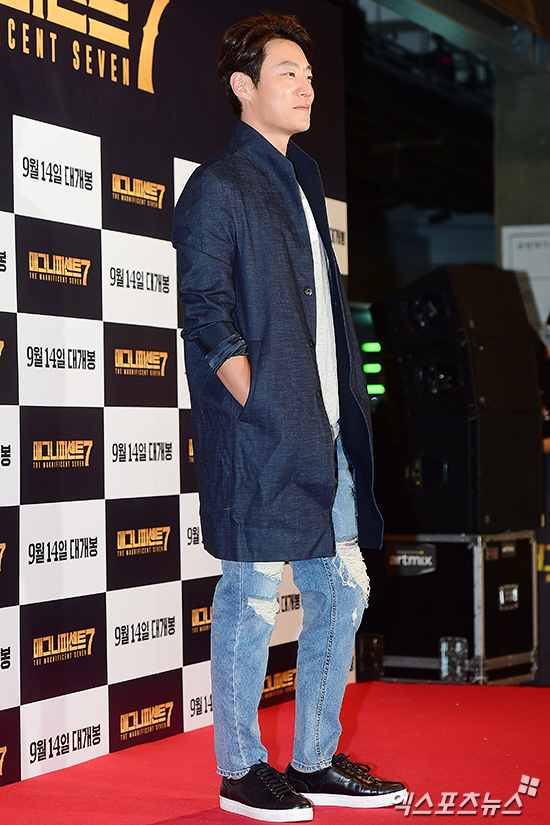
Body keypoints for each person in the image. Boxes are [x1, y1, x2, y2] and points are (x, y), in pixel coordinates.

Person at [173, 13, 406, 822]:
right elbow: (204, 314)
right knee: (249, 592)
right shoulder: (220, 184)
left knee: (342, 586)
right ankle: (240, 768)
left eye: (309, 73)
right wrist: (263, 400)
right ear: (243, 87)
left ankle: (314, 758)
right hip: (264, 432)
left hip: (325, 429)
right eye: (287, 73)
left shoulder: (299, 178)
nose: (306, 86)